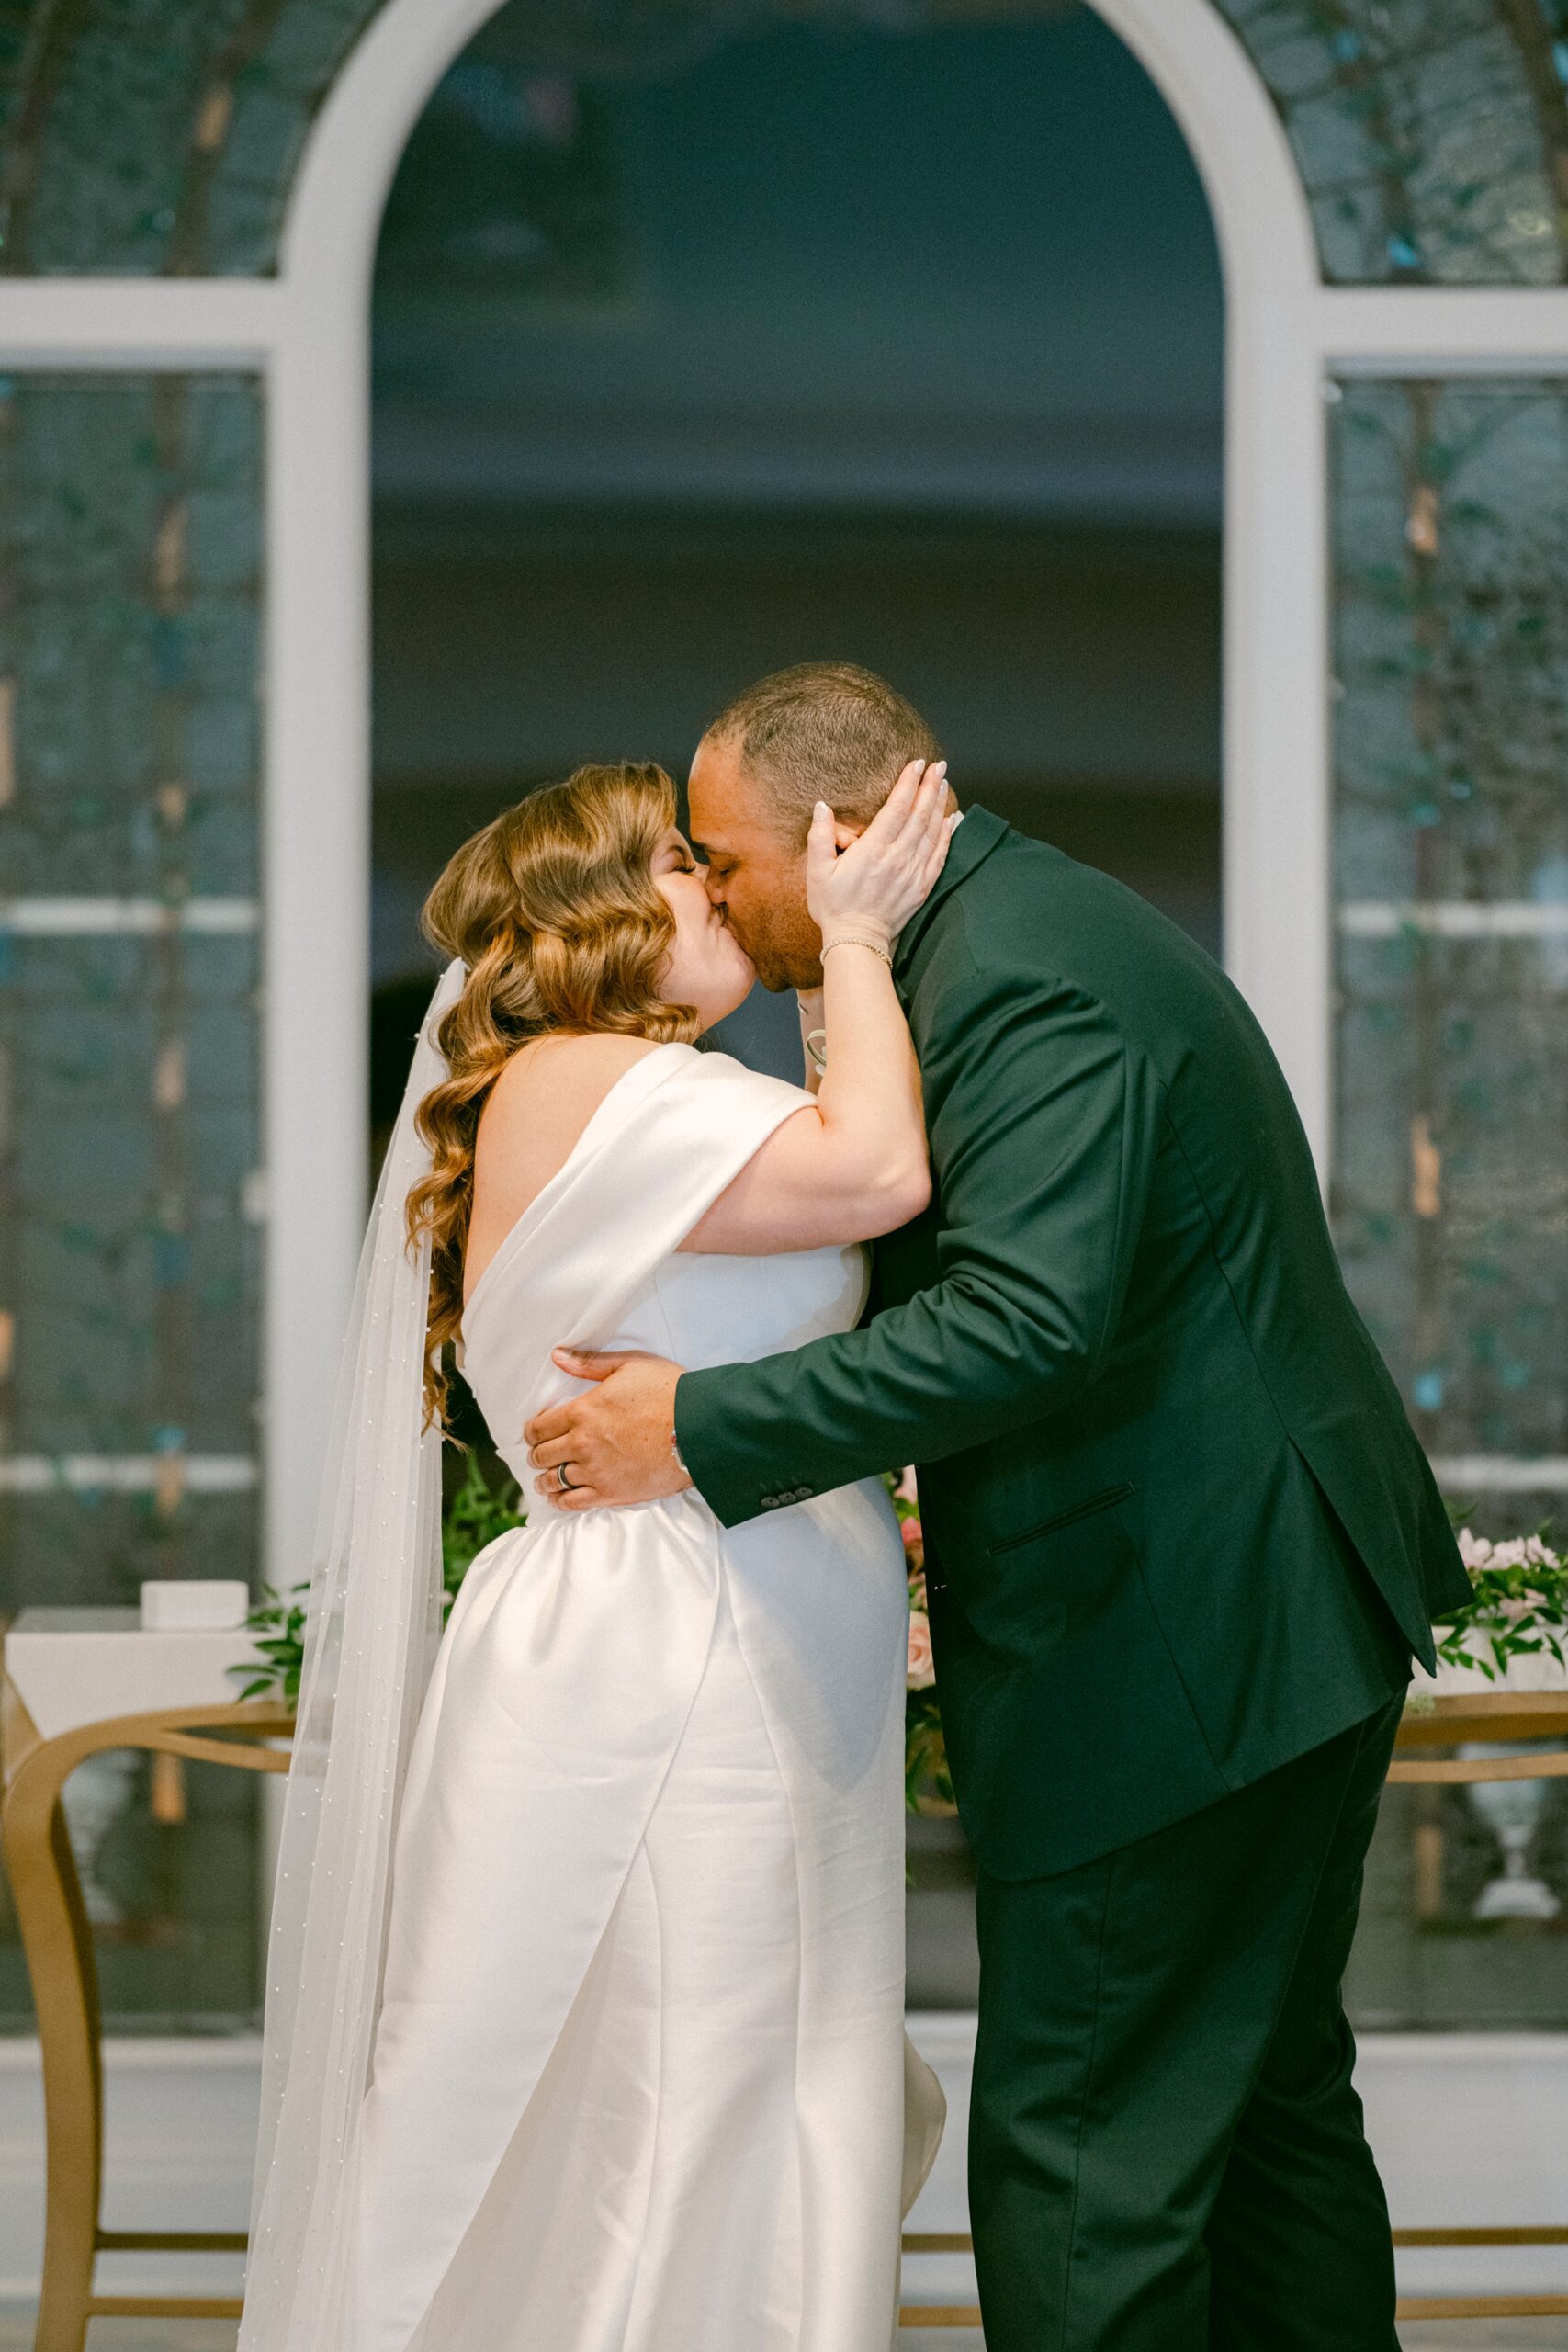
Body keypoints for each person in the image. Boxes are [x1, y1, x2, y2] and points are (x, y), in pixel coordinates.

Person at [524, 662, 1476, 2351]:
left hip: (1179, 1630)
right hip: (1259, 1602)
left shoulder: (1025, 978)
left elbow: (1026, 1324)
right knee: (1262, 2122)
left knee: (1082, 2152)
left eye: (720, 855)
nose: (716, 888)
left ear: (830, 839)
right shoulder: (1005, 939)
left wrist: (698, 1425)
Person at [237, 758, 955, 2352]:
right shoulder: (584, 1074)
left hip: (717, 1634)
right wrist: (854, 939)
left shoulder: (640, 1094)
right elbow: (880, 1173)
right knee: (684, 2093)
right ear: (610, 914)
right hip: (676, 1656)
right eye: (690, 868)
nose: (725, 891)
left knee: (712, 2079)